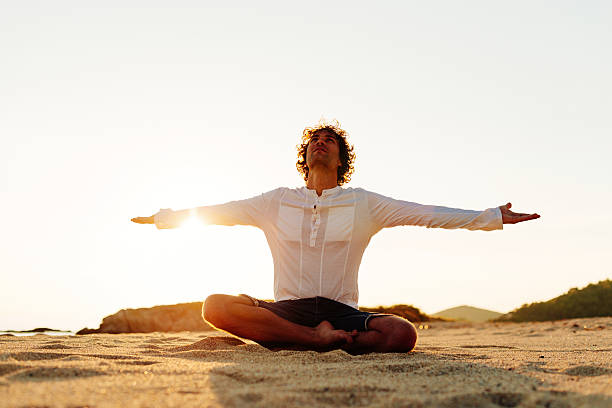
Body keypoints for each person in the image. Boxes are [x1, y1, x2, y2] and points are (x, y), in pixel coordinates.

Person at [132, 122, 540, 354]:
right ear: (305, 156)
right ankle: (313, 339)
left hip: (343, 312)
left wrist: (491, 217)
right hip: (287, 310)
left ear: (341, 158)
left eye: (330, 140)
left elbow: (427, 214)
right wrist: (163, 218)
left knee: (403, 334)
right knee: (214, 306)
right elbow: (218, 212)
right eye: (314, 140)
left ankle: (316, 339)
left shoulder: (364, 203)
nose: (321, 143)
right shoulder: (276, 202)